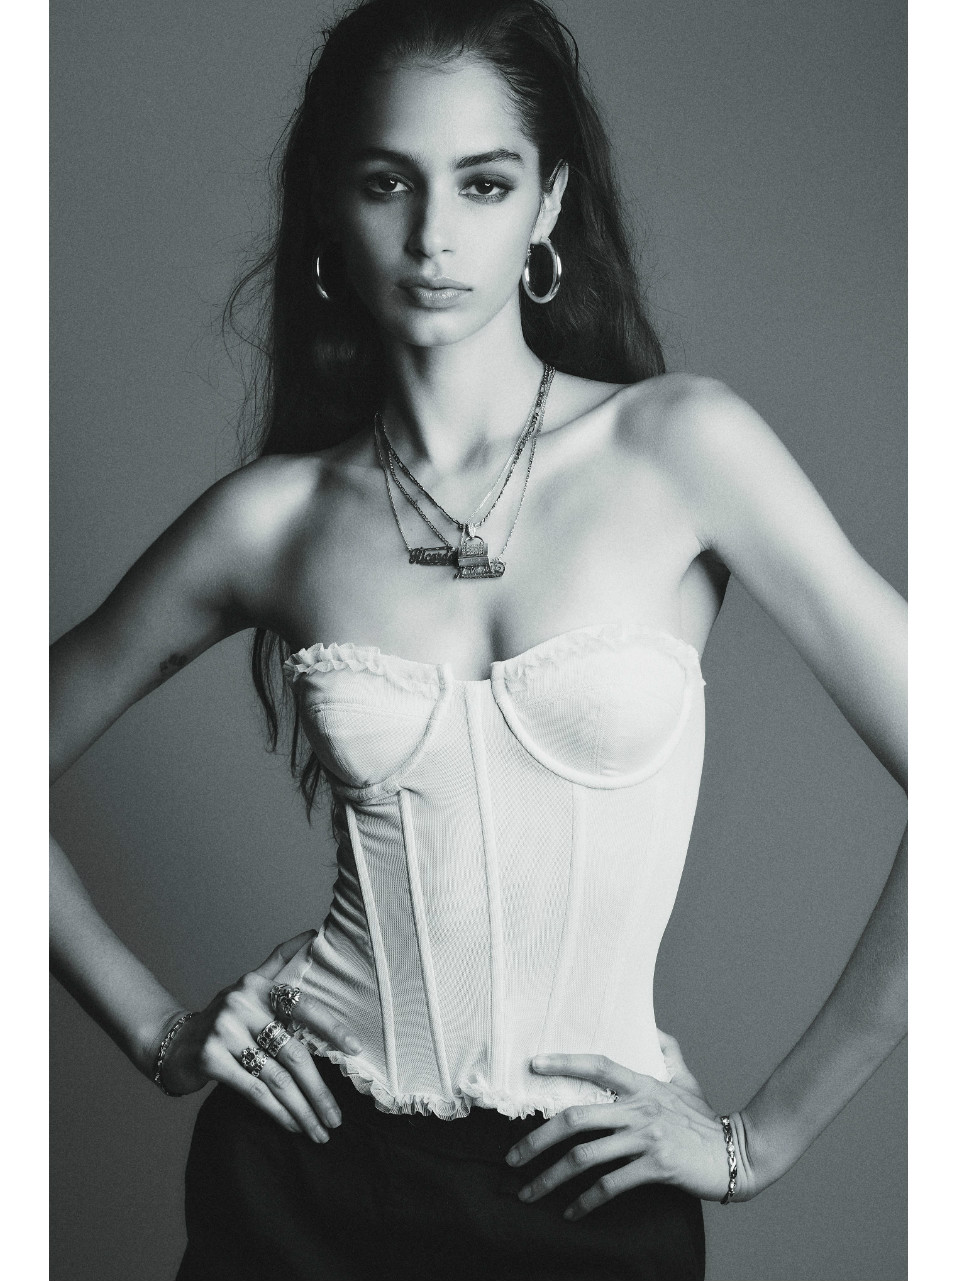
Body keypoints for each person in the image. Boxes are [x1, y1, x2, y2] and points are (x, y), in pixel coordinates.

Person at [49, 1, 906, 1278]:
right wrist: (158, 1030)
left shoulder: (681, 448)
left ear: (548, 202)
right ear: (329, 205)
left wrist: (758, 1141)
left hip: (590, 1185)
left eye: (485, 183)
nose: (435, 236)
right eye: (387, 182)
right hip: (299, 1175)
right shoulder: (275, 519)